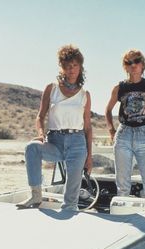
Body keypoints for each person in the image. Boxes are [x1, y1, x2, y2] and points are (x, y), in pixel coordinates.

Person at [18, 44, 92, 210]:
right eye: (67, 66)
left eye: (74, 66)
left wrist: (90, 157)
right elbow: (40, 116)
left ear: (80, 67)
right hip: (55, 142)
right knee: (32, 148)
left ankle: (69, 221)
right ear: (62, 68)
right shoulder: (52, 89)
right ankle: (36, 196)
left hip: (77, 144)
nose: (71, 69)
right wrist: (40, 133)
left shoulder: (85, 95)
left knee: (70, 202)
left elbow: (88, 127)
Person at [105, 49, 145, 200]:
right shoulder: (119, 88)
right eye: (129, 62)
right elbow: (108, 110)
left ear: (142, 64)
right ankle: (124, 219)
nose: (133, 65)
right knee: (122, 186)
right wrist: (111, 131)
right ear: (125, 67)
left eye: (136, 61)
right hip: (123, 135)